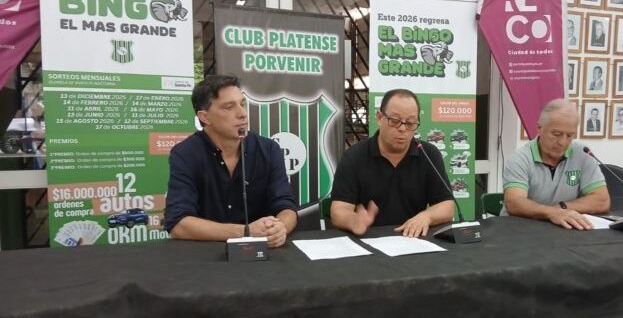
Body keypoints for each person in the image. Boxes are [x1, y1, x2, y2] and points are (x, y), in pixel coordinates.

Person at [164, 75, 298, 246]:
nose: (242, 114)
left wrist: (280, 228)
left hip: (263, 254)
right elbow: (178, 224)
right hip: (207, 254)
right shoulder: (185, 154)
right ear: (205, 117)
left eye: (242, 104)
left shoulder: (269, 149)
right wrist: (245, 232)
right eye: (229, 107)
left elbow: (286, 206)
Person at [329, 89, 454, 237]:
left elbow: (447, 205)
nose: (403, 129)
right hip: (368, 240)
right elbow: (339, 211)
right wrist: (353, 220)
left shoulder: (428, 154)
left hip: (413, 240)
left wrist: (426, 217)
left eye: (410, 123)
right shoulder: (354, 157)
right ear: (379, 117)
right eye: (395, 121)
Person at [502, 99, 609, 230]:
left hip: (563, 230)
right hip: (520, 230)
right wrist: (551, 213)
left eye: (569, 135)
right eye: (556, 134)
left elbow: (602, 200)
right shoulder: (520, 159)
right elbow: (514, 203)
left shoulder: (583, 154)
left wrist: (562, 208)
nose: (562, 142)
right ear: (539, 129)